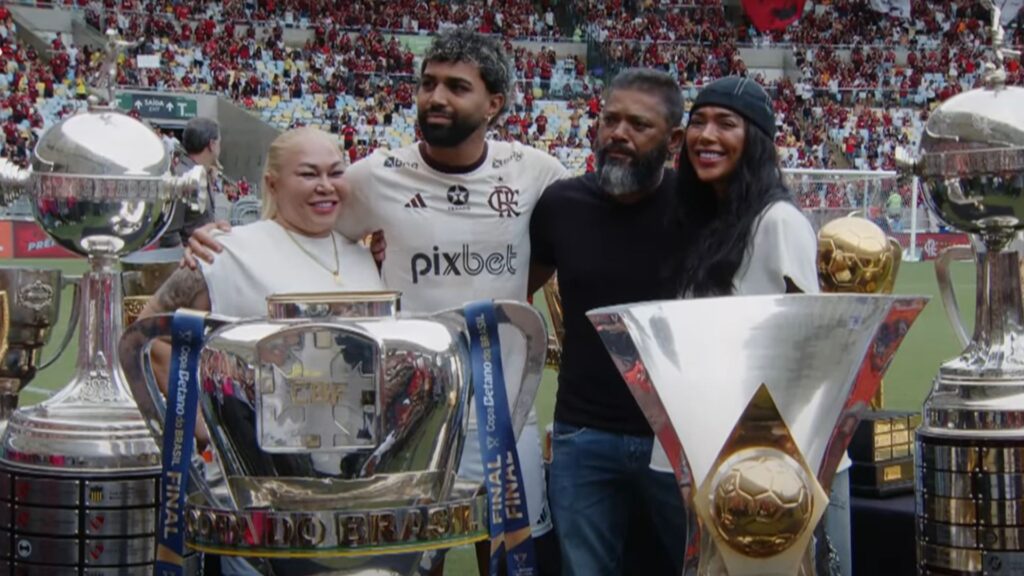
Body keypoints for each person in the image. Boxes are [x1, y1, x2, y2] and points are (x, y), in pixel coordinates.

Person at [185, 29, 567, 576]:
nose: (436, 97)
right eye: (428, 83)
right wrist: (220, 240)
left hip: (504, 407)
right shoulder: (370, 177)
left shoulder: (537, 172)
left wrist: (508, 293)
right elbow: (303, 227)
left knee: (516, 558)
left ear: (495, 104)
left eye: (457, 87)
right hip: (413, 413)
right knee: (412, 559)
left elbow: (558, 246)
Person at [141, 126, 384, 576]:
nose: (326, 185)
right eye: (308, 174)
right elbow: (151, 340)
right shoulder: (226, 252)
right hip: (258, 504)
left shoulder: (363, 253)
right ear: (272, 183)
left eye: (335, 172)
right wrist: (212, 434)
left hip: (353, 495)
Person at [666, 76, 850, 576]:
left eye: (726, 123)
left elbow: (809, 353)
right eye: (697, 122)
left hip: (774, 467)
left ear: (757, 141)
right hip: (719, 457)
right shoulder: (703, 226)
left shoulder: (777, 222)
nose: (705, 135)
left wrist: (787, 473)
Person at [527, 68, 689, 576]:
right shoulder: (560, 204)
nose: (618, 133)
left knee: (699, 567)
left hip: (681, 437)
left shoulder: (701, 209)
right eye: (609, 119)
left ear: (674, 140)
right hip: (582, 435)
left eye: (638, 124)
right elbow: (513, 291)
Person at [160, 116, 222, 248]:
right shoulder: (182, 178)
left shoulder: (200, 174)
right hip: (189, 261)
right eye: (218, 142)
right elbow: (169, 233)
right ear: (211, 145)